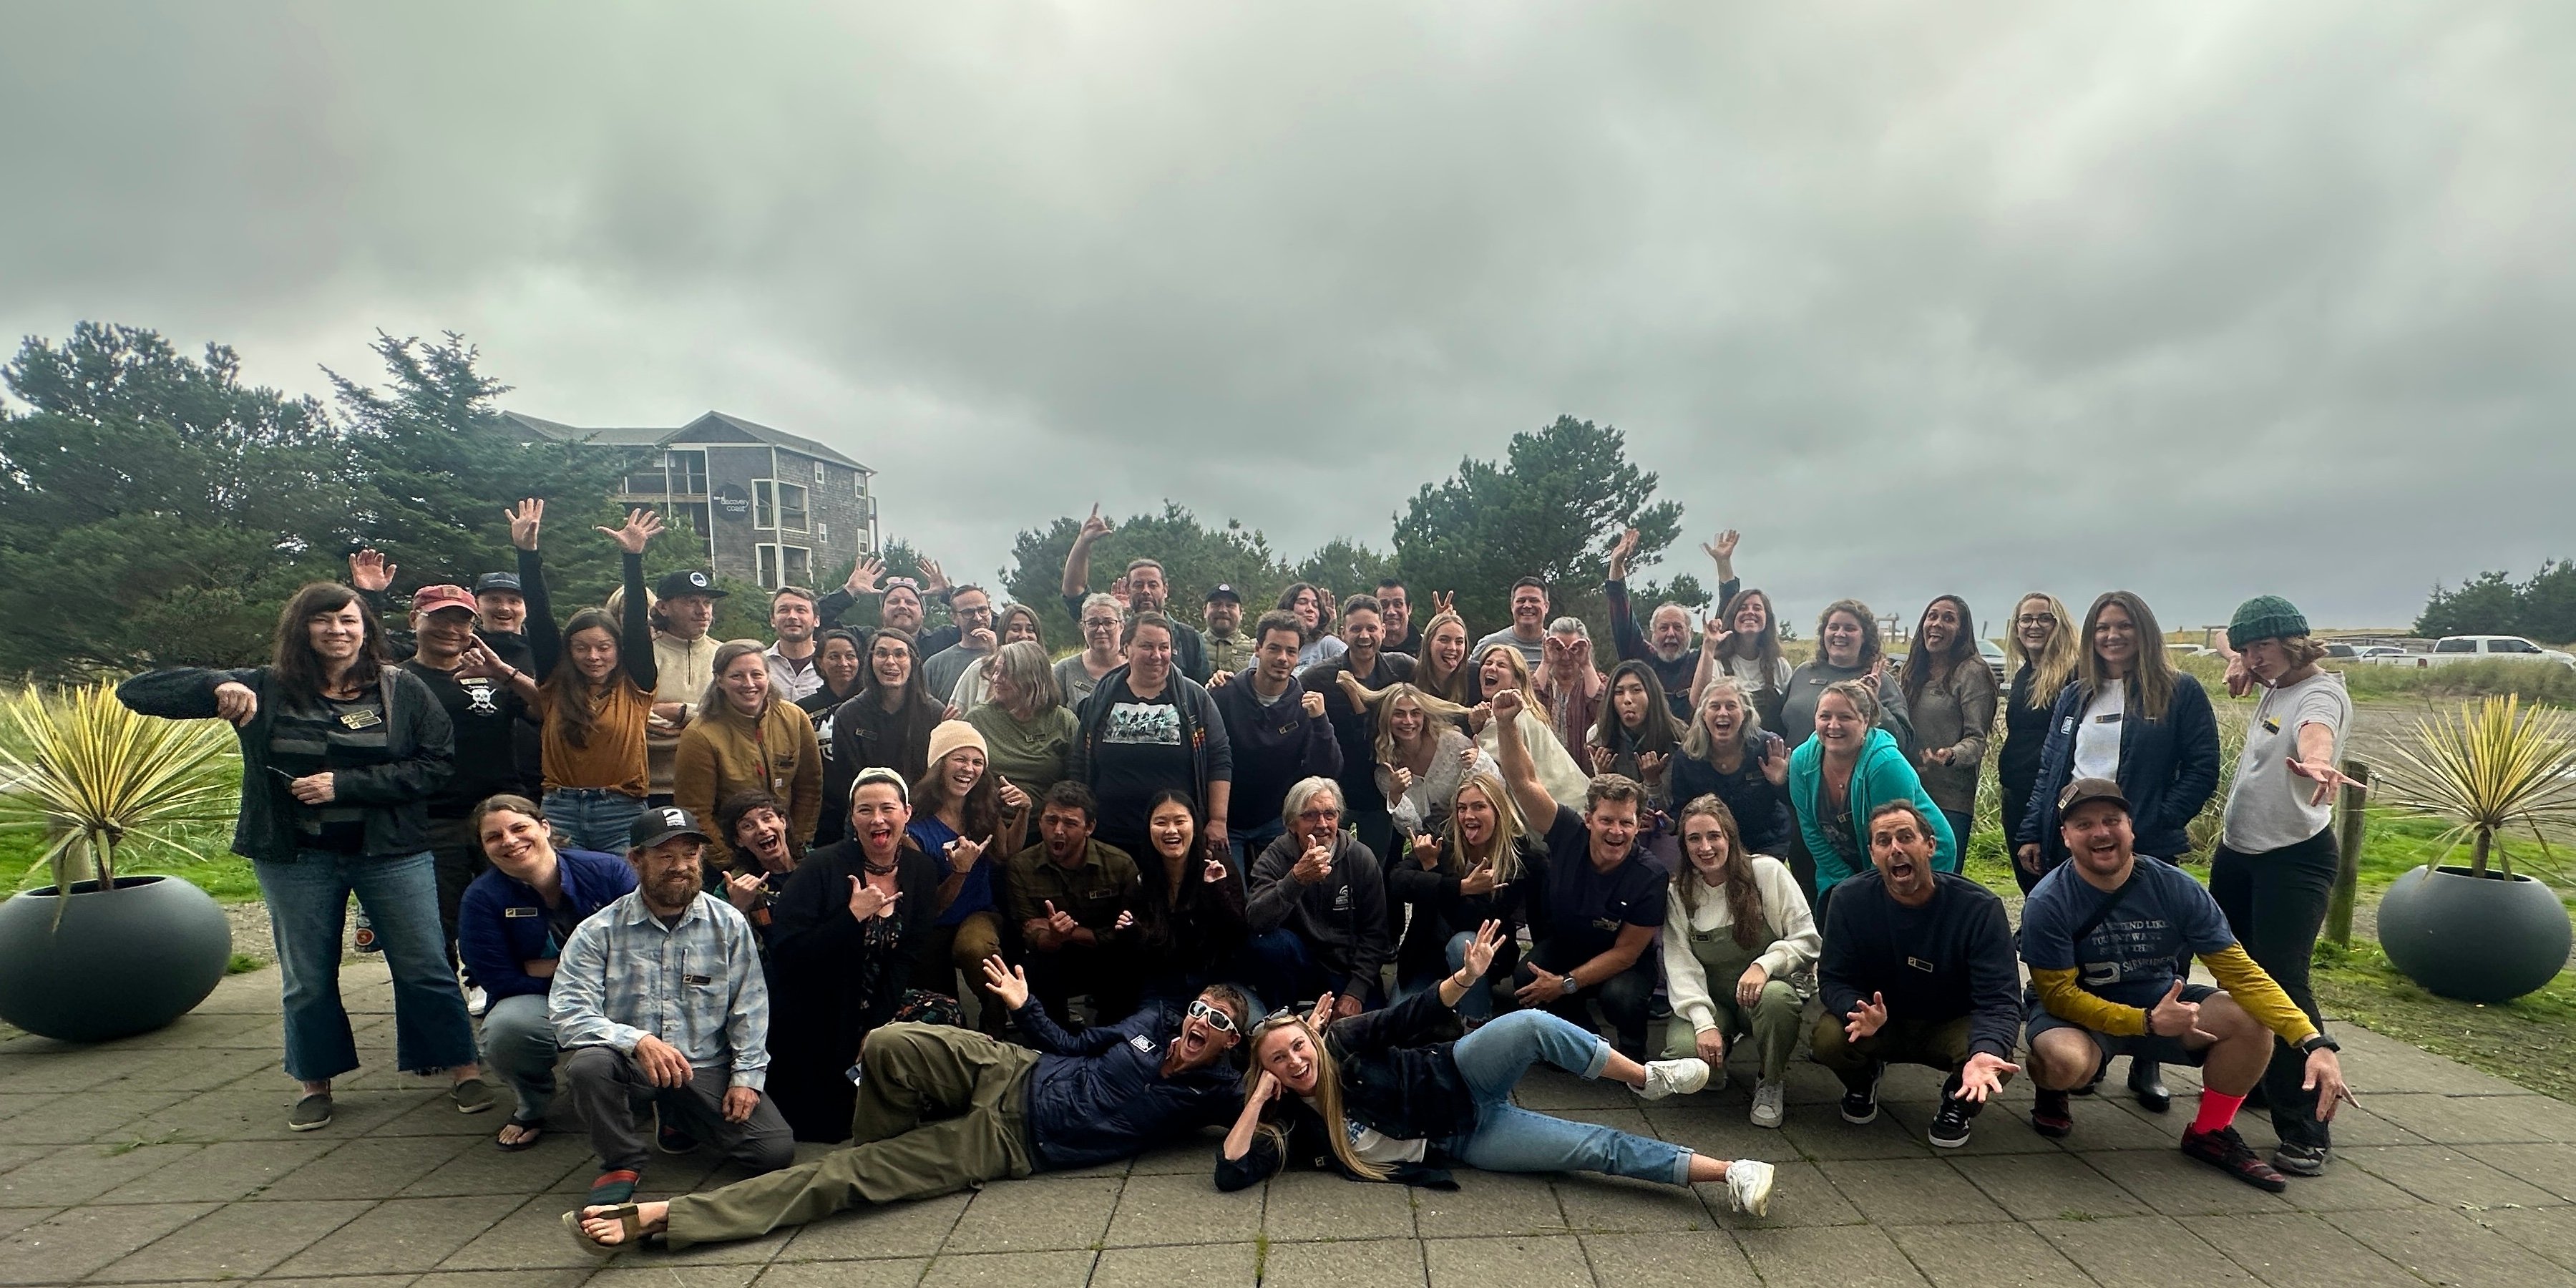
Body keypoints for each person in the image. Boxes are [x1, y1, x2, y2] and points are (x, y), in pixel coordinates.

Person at [116, 582, 484, 1132]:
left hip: (391, 852)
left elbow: (435, 765)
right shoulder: (264, 686)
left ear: (368, 629)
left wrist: (347, 785)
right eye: (324, 620)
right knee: (307, 976)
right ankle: (316, 1081)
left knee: (424, 966)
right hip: (296, 857)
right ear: (301, 628)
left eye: (349, 621)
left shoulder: (400, 689)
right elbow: (137, 692)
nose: (338, 631)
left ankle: (462, 1070)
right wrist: (218, 683)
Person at [565, 972, 1251, 1254]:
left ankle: (662, 1219)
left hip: (1013, 1139)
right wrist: (1022, 1006)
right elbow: (1070, 1043)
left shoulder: (1216, 1093)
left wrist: (1293, 1064)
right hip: (1015, 1068)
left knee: (847, 1176)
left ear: (1230, 1041)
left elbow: (1248, 1147)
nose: (1199, 1020)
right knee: (890, 1043)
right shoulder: (1149, 1029)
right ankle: (876, 1156)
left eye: (1216, 1019)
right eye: (1198, 1007)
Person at [1218, 922, 1775, 1218]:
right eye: (1279, 1062)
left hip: (1460, 1073)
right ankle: (1731, 1171)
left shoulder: (1340, 1043)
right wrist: (1257, 1101)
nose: (1296, 1061)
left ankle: (1645, 1078)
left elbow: (1408, 1014)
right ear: (1268, 1074)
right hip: (1469, 1139)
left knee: (1530, 1024)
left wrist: (1463, 981)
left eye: (1297, 1047)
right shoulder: (1296, 1124)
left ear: (1311, 1038)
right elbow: (1231, 1171)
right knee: (1592, 1150)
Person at [2020, 779, 2354, 1191]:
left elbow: (2242, 973)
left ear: (2131, 827)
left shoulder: (2175, 887)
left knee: (2246, 1018)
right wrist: (2143, 1022)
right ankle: (2053, 1091)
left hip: (2164, 1007)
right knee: (2063, 1063)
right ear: (2066, 837)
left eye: (2112, 820)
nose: (2101, 832)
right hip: (2080, 1016)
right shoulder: (2049, 901)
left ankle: (2210, 1132)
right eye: (2084, 824)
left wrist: (2311, 1041)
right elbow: (2059, 995)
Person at [2016, 590, 2220, 1115]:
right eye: (2103, 627)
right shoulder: (2076, 694)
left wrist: (2149, 824)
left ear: (2144, 632)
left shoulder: (2179, 692)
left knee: (2157, 954)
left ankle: (2147, 1059)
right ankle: (2069, 1067)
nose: (2112, 636)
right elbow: (2051, 770)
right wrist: (2033, 829)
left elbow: (2201, 770)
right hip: (2075, 839)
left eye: (2123, 626)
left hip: (2143, 843)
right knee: (2075, 954)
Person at [551, 806, 794, 1204]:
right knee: (588, 1065)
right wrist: (639, 1041)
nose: (680, 867)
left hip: (703, 1064)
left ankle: (680, 1115)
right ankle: (621, 1160)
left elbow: (750, 1007)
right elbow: (569, 1013)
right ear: (635, 860)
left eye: (690, 855)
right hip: (630, 1063)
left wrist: (747, 1078)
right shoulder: (598, 931)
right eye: (665, 856)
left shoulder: (729, 923)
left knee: (773, 1151)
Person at [2209, 597, 2360, 1176]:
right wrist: (2237, 660)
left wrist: (2318, 762)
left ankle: (2306, 1127)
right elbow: (2225, 636)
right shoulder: (2271, 675)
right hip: (2239, 853)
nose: (2253, 658)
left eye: (2263, 649)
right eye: (2249, 649)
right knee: (2231, 968)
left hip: (2291, 860)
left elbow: (2314, 733)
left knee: (2281, 980)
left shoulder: (2319, 695)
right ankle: (2256, 1080)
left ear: (2295, 644)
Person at [1810, 801, 2021, 1148]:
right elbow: (1833, 977)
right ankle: (1862, 1081)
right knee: (1829, 1038)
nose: (1896, 849)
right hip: (1883, 1023)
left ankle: (1959, 1101)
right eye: (1883, 841)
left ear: (1930, 845)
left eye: (1906, 837)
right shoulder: (1848, 900)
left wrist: (1986, 1050)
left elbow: (2000, 1000)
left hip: (1949, 1023)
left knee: (1994, 1056)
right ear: (1873, 853)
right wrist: (1858, 1007)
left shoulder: (1979, 909)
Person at [762, 767, 945, 1142]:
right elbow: (789, 954)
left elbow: (905, 958)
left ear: (906, 813)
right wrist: (851, 916)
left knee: (942, 1013)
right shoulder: (821, 868)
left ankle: (900, 1094)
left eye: (887, 808)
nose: (877, 819)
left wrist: (878, 1027)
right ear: (852, 818)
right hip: (818, 1002)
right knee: (828, 1122)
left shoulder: (920, 871)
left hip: (879, 997)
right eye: (865, 810)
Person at [1488, 688, 1667, 1060]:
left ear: (1637, 826)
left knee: (1619, 996)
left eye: (1626, 823)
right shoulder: (1567, 831)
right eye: (1606, 821)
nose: (1615, 832)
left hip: (1621, 961)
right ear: (1588, 820)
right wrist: (1506, 724)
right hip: (1569, 945)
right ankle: (1582, 1038)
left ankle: (1633, 1050)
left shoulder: (1648, 875)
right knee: (1526, 980)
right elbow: (1524, 783)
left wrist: (1567, 984)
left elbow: (1626, 954)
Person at [457, 794, 636, 1150]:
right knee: (506, 1028)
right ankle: (533, 1101)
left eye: (519, 827)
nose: (509, 841)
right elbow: (498, 979)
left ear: (545, 827)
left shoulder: (608, 871)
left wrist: (561, 966)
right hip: (543, 1000)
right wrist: (582, 974)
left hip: (624, 990)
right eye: (494, 837)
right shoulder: (481, 899)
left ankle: (644, 1087)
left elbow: (642, 948)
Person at [396, 581, 540, 1008]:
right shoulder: (399, 680)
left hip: (500, 812)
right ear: (414, 621)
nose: (450, 630)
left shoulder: (490, 674)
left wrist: (505, 674)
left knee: (516, 906)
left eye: (461, 621)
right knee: (440, 918)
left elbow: (547, 712)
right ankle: (443, 1011)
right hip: (434, 817)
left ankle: (496, 985)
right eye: (438, 619)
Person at [1661, 795, 1816, 1128]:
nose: (1705, 847)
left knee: (1778, 1000)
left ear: (1730, 837)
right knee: (1686, 1055)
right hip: (1714, 1001)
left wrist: (1765, 965)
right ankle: (1719, 1048)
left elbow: (1808, 940)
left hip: (1762, 997)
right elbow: (1680, 964)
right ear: (1684, 846)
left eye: (1714, 836)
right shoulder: (1678, 893)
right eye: (1694, 839)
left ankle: (1770, 1079)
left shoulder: (1766, 872)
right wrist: (1704, 1024)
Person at [530, 514, 663, 852]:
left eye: (603, 647)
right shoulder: (555, 685)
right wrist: (527, 552)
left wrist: (632, 558)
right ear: (569, 651)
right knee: (565, 898)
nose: (593, 656)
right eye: (581, 647)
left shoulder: (636, 685)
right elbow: (541, 620)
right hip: (561, 810)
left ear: (619, 650)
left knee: (625, 896)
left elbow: (635, 624)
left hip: (621, 810)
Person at [1067, 612, 1234, 861]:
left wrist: (1218, 820)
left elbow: (1219, 759)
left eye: (1164, 647)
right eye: (1146, 646)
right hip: (1111, 834)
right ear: (1126, 648)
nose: (1156, 656)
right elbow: (1081, 758)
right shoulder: (1102, 698)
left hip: (1174, 836)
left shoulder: (1195, 699)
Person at [1787, 680, 1955, 915]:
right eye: (1825, 716)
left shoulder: (1886, 765)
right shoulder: (1801, 761)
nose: (1833, 725)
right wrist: (1847, 884)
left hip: (1911, 858)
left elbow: (1890, 840)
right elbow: (1811, 831)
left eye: (1845, 717)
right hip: (1848, 864)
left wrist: (1867, 892)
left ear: (1865, 721)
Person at [1388, 771, 1541, 1025]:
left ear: (1498, 811)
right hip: (1426, 955)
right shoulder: (1441, 835)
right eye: (1462, 808)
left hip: (1483, 953)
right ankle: (1445, 1017)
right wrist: (1460, 886)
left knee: (1464, 943)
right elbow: (1397, 882)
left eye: (1479, 807)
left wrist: (1433, 873)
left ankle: (1476, 1020)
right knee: (1401, 1024)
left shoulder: (1517, 856)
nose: (1468, 815)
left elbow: (1474, 920)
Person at [906, 721, 1027, 1027]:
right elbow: (928, 905)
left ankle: (996, 1020)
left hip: (979, 913)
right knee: (941, 1012)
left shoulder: (983, 809)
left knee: (974, 948)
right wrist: (960, 871)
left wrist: (1025, 811)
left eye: (977, 762)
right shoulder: (913, 826)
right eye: (959, 759)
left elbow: (1005, 853)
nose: (969, 769)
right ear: (938, 764)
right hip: (932, 922)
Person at [1244, 777, 1395, 1014]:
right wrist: (1297, 879)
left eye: (1330, 814)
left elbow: (1376, 934)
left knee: (1373, 1033)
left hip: (1345, 968)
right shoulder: (1275, 856)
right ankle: (1280, 1017)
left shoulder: (1360, 857)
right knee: (1268, 943)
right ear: (1292, 823)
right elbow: (1256, 920)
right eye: (1310, 815)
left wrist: (1356, 991)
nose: (1322, 824)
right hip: (1299, 962)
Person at [673, 640, 823, 871]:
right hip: (732, 857)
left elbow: (810, 789)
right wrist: (732, 862)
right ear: (720, 680)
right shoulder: (700, 735)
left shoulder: (795, 719)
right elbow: (696, 812)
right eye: (737, 676)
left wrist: (796, 846)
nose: (749, 684)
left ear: (768, 675)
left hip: (789, 851)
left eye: (756, 674)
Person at [1209, 610, 1342, 865]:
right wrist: (1213, 818)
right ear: (1258, 649)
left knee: (1280, 895)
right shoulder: (1224, 695)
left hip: (1276, 822)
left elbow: (1329, 770)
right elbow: (1208, 759)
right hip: (1227, 821)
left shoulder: (1304, 705)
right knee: (1232, 898)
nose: (1283, 658)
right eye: (1274, 649)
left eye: (1291, 651)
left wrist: (1321, 721)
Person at [1006, 781, 1144, 1026]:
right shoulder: (1022, 866)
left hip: (1107, 957)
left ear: (1089, 827)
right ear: (1040, 822)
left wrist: (1075, 933)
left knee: (1130, 963)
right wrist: (1054, 937)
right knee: (1031, 967)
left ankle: (1113, 1033)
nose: (1058, 830)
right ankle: (1052, 1038)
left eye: (1070, 823)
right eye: (1051, 820)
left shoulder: (1120, 864)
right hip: (1054, 956)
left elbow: (1129, 932)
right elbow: (1029, 933)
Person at [1301, 594, 1418, 857]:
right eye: (1356, 629)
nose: (1364, 636)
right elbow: (1284, 692)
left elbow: (1439, 680)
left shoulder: (1401, 668)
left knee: (1377, 869)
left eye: (1371, 628)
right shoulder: (1319, 677)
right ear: (1344, 632)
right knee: (1326, 865)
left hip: (1381, 794)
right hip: (1335, 792)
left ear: (1383, 631)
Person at [1602, 527, 1740, 719]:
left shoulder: (1701, 661)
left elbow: (1725, 619)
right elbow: (1621, 617)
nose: (1671, 634)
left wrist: (1724, 564)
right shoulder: (1641, 660)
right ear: (1652, 634)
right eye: (1664, 628)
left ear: (1690, 634)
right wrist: (1616, 564)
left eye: (1678, 627)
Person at [1060, 507, 1212, 680]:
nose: (1146, 591)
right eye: (1138, 585)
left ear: (1166, 590)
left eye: (1153, 585)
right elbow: (1074, 592)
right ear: (1127, 589)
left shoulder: (1189, 638)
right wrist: (1083, 542)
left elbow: (1203, 692)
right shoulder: (1115, 628)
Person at [1130, 789, 1252, 1000]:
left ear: (1195, 826)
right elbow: (1144, 957)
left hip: (1220, 984)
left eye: (1180, 821)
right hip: (1164, 985)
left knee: (1254, 1028)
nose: (1171, 830)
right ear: (1149, 830)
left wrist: (1217, 890)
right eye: (1160, 823)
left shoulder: (1219, 865)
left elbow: (1239, 936)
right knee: (1138, 1031)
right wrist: (1133, 931)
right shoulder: (1142, 880)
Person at [1998, 592, 2081, 894]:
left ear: (2059, 625)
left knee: (2053, 883)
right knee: (2029, 882)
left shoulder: (2073, 674)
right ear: (2016, 627)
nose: (2035, 625)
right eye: (2027, 619)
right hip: (2016, 792)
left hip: (2051, 795)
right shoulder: (2023, 675)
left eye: (2045, 618)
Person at [1901, 595, 1999, 847]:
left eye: (1948, 619)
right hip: (1905, 793)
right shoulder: (1912, 671)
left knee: (1941, 879)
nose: (1937, 624)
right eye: (1932, 616)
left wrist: (1952, 755)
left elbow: (1977, 739)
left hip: (1948, 801)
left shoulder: (1972, 672)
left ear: (1962, 630)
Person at [1669, 677, 1792, 857]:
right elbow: (1682, 810)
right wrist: (1669, 824)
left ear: (1745, 713)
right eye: (1715, 706)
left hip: (1766, 844)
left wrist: (1780, 782)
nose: (1723, 713)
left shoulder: (1768, 746)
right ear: (1703, 715)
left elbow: (1793, 801)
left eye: (1731, 706)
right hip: (1712, 847)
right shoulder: (1688, 756)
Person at [1340, 678, 1477, 836]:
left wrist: (1478, 762)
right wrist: (1396, 796)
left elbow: (1491, 789)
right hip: (1432, 847)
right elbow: (1412, 831)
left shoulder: (1454, 743)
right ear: (1387, 719)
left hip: (1474, 834)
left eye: (1415, 713)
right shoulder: (1386, 774)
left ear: (1424, 716)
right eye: (1399, 714)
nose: (1408, 721)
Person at [1782, 599, 1913, 753]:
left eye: (1850, 628)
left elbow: (1903, 742)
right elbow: (1778, 727)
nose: (1840, 634)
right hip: (1796, 773)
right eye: (1833, 627)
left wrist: (1873, 702)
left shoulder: (1879, 680)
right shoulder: (1803, 672)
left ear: (1864, 637)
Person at [1472, 643, 1591, 810]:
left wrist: (1477, 731)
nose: (1491, 668)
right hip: (1582, 805)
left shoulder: (1505, 719)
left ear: (1516, 681)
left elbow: (1484, 774)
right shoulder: (1532, 712)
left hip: (1558, 814)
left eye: (1501, 665)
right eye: (1488, 663)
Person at [647, 569, 726, 805]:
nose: (702, 611)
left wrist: (680, 712)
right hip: (651, 790)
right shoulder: (644, 655)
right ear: (663, 607)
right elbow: (633, 725)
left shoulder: (725, 656)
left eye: (707, 602)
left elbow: (735, 722)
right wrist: (703, 727)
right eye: (690, 601)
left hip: (713, 787)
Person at [965, 639, 1078, 802]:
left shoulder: (1063, 721)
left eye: (1005, 673)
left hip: (1046, 821)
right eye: (995, 671)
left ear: (1030, 677)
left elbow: (1077, 785)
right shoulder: (978, 720)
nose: (996, 679)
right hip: (989, 819)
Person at [830, 628, 942, 790]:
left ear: (914, 662)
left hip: (922, 808)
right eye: (882, 654)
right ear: (870, 661)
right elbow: (846, 780)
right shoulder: (848, 716)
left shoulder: (934, 714)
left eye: (900, 654)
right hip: (867, 806)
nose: (890, 661)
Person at [796, 628, 868, 847]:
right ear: (820, 663)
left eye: (850, 656)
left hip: (866, 803)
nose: (843, 663)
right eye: (834, 656)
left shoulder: (873, 705)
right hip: (822, 811)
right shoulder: (803, 710)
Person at [1693, 586, 1794, 736]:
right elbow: (1698, 702)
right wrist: (1708, 647)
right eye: (1743, 608)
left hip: (1770, 754)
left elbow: (1790, 715)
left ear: (1768, 619)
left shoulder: (1779, 666)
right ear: (1732, 617)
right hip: (1727, 752)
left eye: (1758, 608)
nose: (1750, 612)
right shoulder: (1717, 664)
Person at [1586, 660, 1682, 815]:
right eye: (1619, 692)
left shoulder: (1676, 736)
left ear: (1651, 694)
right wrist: (1605, 777)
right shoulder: (1599, 736)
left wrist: (1652, 782)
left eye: (1636, 690)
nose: (1627, 699)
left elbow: (1670, 809)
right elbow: (1601, 807)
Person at [818, 560, 962, 658]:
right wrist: (849, 591)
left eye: (910, 602)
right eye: (894, 601)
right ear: (882, 611)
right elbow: (813, 623)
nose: (902, 606)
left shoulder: (942, 640)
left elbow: (981, 625)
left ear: (923, 613)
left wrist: (948, 593)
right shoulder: (863, 640)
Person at [713, 789, 801, 934]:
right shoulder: (732, 887)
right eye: (748, 826)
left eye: (767, 818)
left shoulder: (820, 864)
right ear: (738, 840)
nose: (762, 829)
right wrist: (737, 908)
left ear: (783, 822)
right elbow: (719, 942)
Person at [945, 603, 1043, 716]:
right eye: (1015, 629)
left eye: (1030, 630)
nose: (1023, 635)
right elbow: (956, 718)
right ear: (1003, 633)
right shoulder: (979, 670)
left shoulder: (1052, 672)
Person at [1534, 617, 1605, 761]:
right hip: (1543, 771)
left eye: (1574, 649)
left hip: (1584, 772)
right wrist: (1546, 662)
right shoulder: (1540, 680)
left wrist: (1586, 664)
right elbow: (1527, 707)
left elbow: (1603, 713)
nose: (1566, 657)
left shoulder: (1598, 681)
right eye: (1559, 649)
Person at [919, 584, 998, 698]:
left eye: (983, 610)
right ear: (954, 618)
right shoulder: (935, 665)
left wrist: (995, 653)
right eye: (968, 612)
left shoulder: (1009, 657)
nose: (978, 618)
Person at [1054, 592, 1126, 711]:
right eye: (1093, 623)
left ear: (1122, 626)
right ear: (1083, 627)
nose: (1101, 630)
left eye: (1109, 623)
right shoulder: (1065, 670)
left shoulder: (1136, 668)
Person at [762, 585, 826, 704]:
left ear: (816, 620)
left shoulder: (834, 666)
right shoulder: (758, 665)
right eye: (783, 610)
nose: (792, 616)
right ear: (772, 620)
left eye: (801, 610)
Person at [1472, 577, 1551, 670]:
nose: (1527, 606)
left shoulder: (1557, 646)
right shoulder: (1490, 644)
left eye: (1534, 600)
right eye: (1521, 601)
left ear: (1546, 607)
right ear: (1512, 606)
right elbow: (1462, 675)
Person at [1410, 608, 1477, 707]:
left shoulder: (1475, 676)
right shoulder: (1409, 674)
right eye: (1444, 640)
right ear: (1428, 643)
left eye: (1459, 642)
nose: (1452, 648)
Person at [1203, 584, 1257, 676]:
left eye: (1230, 606)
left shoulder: (1256, 650)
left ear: (1241, 613)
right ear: (1205, 611)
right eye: (1216, 605)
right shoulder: (1192, 646)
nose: (1223, 610)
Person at [1375, 577, 1420, 658]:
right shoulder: (1364, 654)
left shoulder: (1427, 650)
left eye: (1398, 604)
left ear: (1409, 609)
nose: (1391, 612)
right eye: (1384, 605)